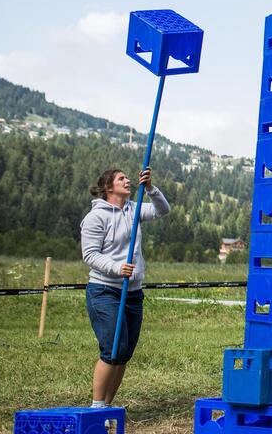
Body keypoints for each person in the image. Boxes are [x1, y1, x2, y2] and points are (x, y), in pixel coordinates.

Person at [80, 168, 170, 408]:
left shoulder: (134, 208)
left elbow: (163, 210)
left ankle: (108, 407)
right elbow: (89, 255)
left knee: (124, 354)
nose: (128, 180)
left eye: (127, 177)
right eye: (121, 178)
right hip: (105, 291)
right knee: (112, 349)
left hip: (133, 293)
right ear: (109, 187)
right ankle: (96, 406)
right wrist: (116, 268)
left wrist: (150, 188)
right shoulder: (95, 217)